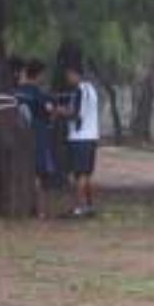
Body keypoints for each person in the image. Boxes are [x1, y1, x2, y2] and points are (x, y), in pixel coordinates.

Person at [13, 59, 56, 219]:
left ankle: (21, 207)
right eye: (43, 74)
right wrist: (54, 113)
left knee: (22, 173)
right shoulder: (40, 95)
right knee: (38, 175)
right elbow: (50, 115)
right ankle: (40, 211)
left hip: (17, 139)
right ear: (38, 75)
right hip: (37, 138)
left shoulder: (15, 92)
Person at [57, 65, 99, 217]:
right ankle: (88, 206)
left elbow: (75, 114)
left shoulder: (80, 91)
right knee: (86, 173)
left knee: (79, 174)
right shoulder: (92, 90)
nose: (68, 78)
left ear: (77, 74)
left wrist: (58, 110)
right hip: (91, 136)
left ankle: (79, 208)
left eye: (69, 74)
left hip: (80, 137)